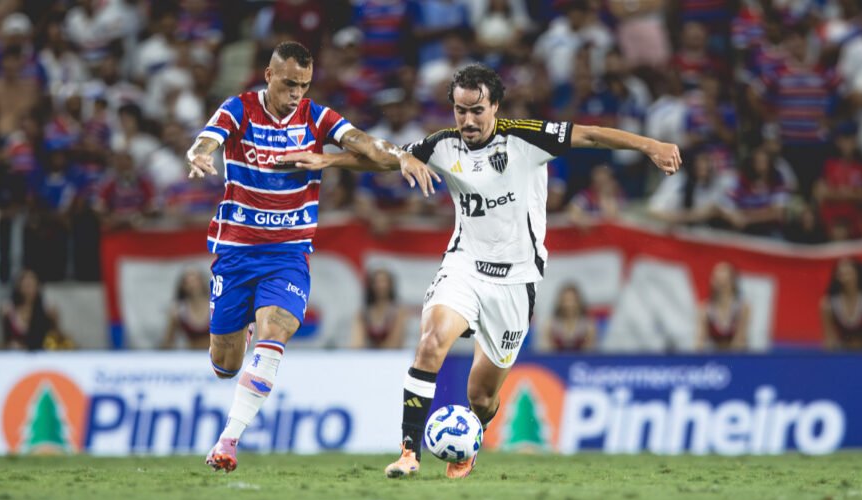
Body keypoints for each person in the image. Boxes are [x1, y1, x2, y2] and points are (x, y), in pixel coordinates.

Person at [285, 63, 680, 478]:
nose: (468, 120)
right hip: (465, 267)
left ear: (495, 107)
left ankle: (470, 441)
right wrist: (327, 161)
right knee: (431, 342)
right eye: (460, 111)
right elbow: (386, 162)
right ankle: (408, 451)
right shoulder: (443, 145)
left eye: (477, 110)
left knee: (482, 397)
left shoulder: (526, 138)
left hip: (516, 282)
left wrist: (651, 145)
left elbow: (592, 135)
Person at [185, 41, 438, 473]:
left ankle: (228, 441)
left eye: (304, 85)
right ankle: (243, 333)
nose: (296, 93)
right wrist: (200, 155)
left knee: (275, 333)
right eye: (289, 84)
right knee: (225, 365)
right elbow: (205, 141)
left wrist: (398, 156)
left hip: (288, 254)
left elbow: (366, 145)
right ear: (269, 75)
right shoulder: (239, 109)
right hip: (236, 253)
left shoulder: (317, 118)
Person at [1, 269, 68, 350]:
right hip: (17, 354)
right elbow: (5, 339)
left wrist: (55, 320)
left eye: (31, 285)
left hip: (41, 353)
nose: (29, 290)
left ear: (38, 287)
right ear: (19, 287)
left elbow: (56, 336)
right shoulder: (9, 310)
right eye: (26, 286)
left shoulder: (47, 310)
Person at [695, 261, 750, 351]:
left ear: (732, 282)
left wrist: (728, 358)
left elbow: (740, 339)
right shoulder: (705, 308)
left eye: (725, 281)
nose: (721, 286)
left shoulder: (743, 307)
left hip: (737, 355)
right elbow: (700, 340)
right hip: (715, 354)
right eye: (718, 281)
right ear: (712, 281)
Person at [351, 268, 408, 349]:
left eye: (384, 282)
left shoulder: (399, 312)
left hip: (392, 355)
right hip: (369, 355)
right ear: (371, 285)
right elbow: (357, 343)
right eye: (377, 282)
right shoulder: (364, 314)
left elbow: (395, 343)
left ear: (390, 285)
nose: (381, 286)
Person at [821, 258, 862, 351]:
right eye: (841, 274)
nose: (845, 277)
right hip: (843, 354)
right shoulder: (828, 304)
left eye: (848, 273)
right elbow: (830, 341)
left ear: (858, 274)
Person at [537, 284, 596, 352]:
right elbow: (546, 351)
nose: (569, 304)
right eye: (566, 300)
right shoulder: (550, 325)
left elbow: (590, 353)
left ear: (579, 302)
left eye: (573, 300)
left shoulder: (588, 326)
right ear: (560, 302)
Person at [162, 268, 211, 350]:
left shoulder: (215, 307)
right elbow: (168, 341)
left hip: (214, 354)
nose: (192, 285)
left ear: (202, 282)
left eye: (195, 280)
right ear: (183, 286)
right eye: (188, 282)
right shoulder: (179, 311)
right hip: (192, 354)